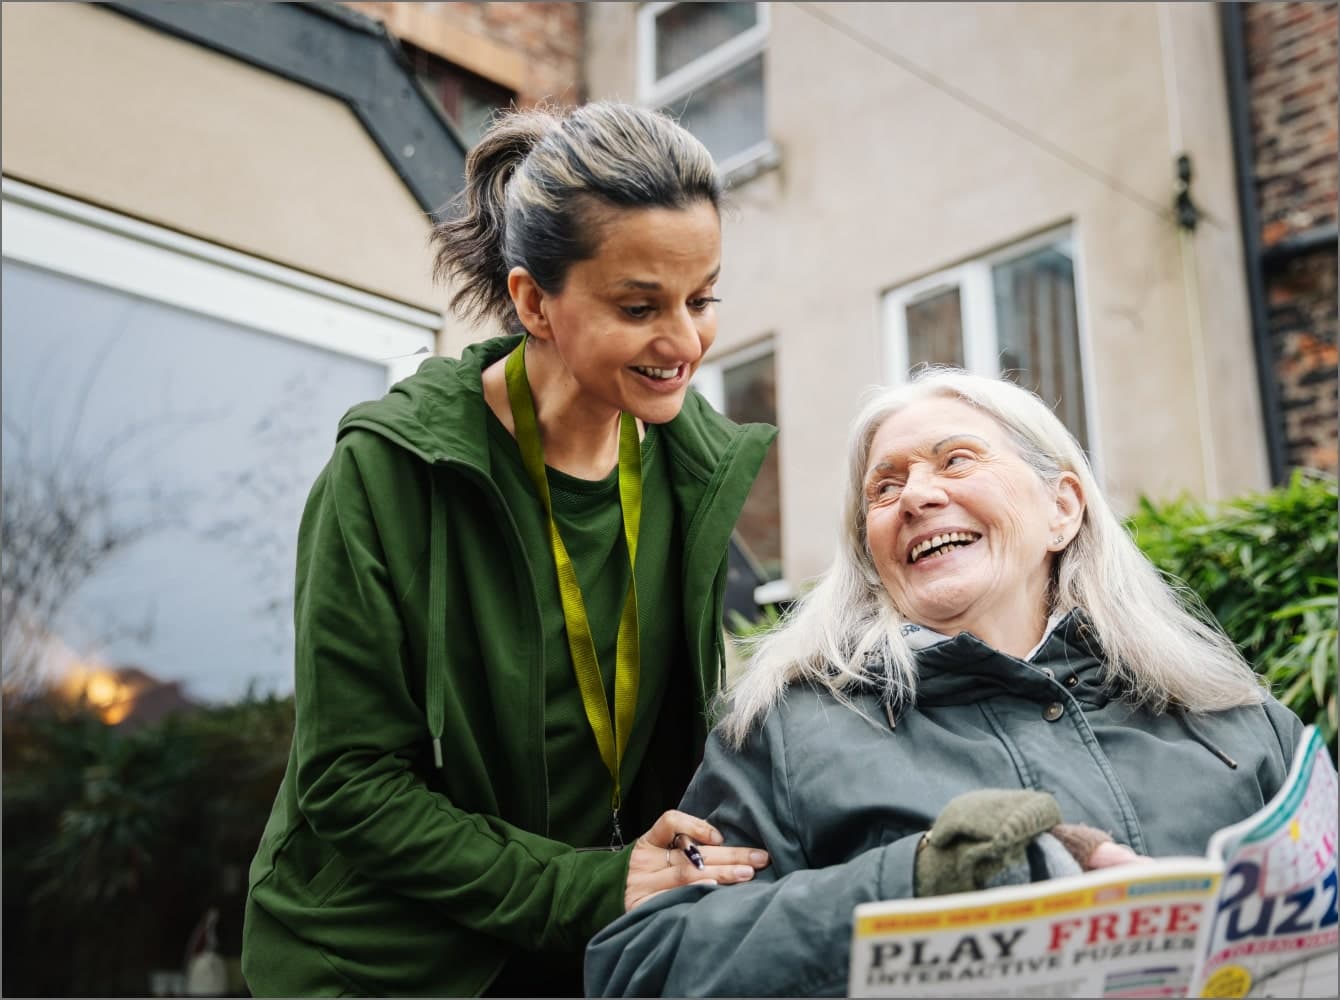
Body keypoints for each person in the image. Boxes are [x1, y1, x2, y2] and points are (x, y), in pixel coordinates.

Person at [241, 101, 776, 998]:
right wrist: (588, 887)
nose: (685, 341)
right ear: (534, 300)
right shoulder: (389, 474)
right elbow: (350, 783)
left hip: (587, 947)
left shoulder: (694, 469)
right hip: (384, 965)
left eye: (703, 297)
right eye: (640, 305)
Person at [585, 368, 1304, 998]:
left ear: (1062, 508)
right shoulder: (790, 734)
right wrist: (916, 885)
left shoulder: (1233, 719)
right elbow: (645, 965)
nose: (916, 498)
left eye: (955, 460)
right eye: (885, 486)